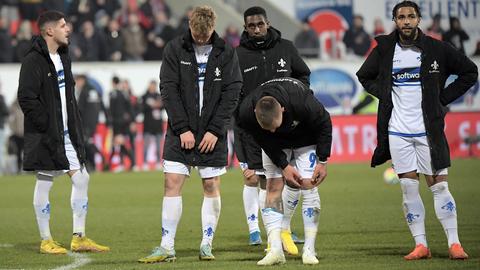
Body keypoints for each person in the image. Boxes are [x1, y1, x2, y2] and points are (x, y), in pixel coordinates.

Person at [356, 1, 478, 260]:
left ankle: (454, 244)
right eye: (401, 17)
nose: (407, 21)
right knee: (409, 189)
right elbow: (364, 76)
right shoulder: (385, 50)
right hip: (398, 132)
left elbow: (470, 71)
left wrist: (442, 98)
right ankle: (421, 245)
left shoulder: (437, 49)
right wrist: (385, 94)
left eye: (411, 16)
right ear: (395, 21)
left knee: (440, 188)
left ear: (419, 19)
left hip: (428, 132)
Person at [138, 6, 242, 263]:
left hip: (212, 134)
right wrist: (182, 127)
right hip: (179, 132)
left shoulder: (226, 52)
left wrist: (215, 130)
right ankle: (166, 246)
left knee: (211, 185)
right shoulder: (174, 49)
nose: (201, 38)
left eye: (206, 34)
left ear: (213, 28)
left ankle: (206, 244)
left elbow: (232, 92)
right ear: (190, 25)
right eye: (197, 33)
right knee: (171, 183)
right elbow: (168, 89)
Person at [17, 10, 109, 254]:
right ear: (49, 31)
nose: (68, 29)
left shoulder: (64, 56)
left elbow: (66, 98)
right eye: (62, 25)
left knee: (82, 178)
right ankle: (46, 239)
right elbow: (26, 98)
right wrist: (47, 124)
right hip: (48, 134)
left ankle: (79, 237)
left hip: (67, 133)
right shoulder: (33, 61)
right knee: (45, 180)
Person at [235, 6, 311, 251]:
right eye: (251, 26)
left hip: (284, 128)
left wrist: (295, 99)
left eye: (260, 24)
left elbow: (303, 75)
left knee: (287, 180)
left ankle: (283, 229)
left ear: (267, 23)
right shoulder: (237, 55)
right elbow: (233, 93)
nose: (256, 29)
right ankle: (255, 229)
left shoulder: (286, 48)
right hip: (252, 129)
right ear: (245, 28)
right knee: (256, 179)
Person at [237, 77, 332, 265]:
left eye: (275, 126)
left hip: (305, 138)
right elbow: (264, 139)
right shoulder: (247, 112)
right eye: (268, 128)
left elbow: (325, 123)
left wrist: (322, 160)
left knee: (308, 185)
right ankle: (275, 250)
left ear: (282, 109)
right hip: (274, 146)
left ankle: (309, 250)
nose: (273, 130)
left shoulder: (302, 102)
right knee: (272, 188)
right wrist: (284, 165)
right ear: (256, 112)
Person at [141, 80, 164, 170]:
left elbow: (164, 106)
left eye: (154, 86)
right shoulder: (144, 96)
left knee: (159, 145)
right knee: (146, 145)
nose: (153, 87)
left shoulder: (159, 96)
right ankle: (144, 163)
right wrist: (151, 105)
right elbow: (142, 108)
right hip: (148, 125)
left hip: (158, 125)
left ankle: (159, 162)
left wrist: (159, 105)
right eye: (151, 85)